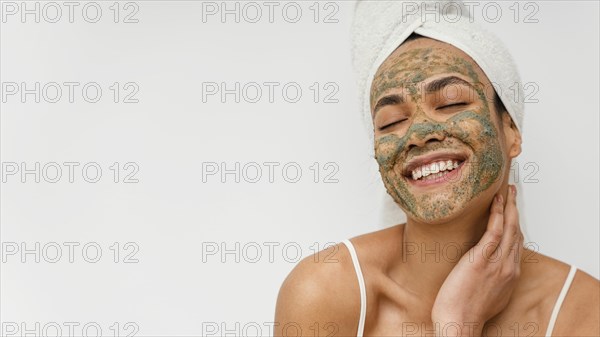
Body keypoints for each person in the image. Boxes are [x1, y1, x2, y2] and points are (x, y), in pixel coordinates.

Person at [274, 2, 599, 337]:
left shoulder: (584, 313)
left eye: (451, 104)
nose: (418, 134)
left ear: (511, 129)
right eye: (391, 122)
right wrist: (458, 324)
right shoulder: (325, 293)